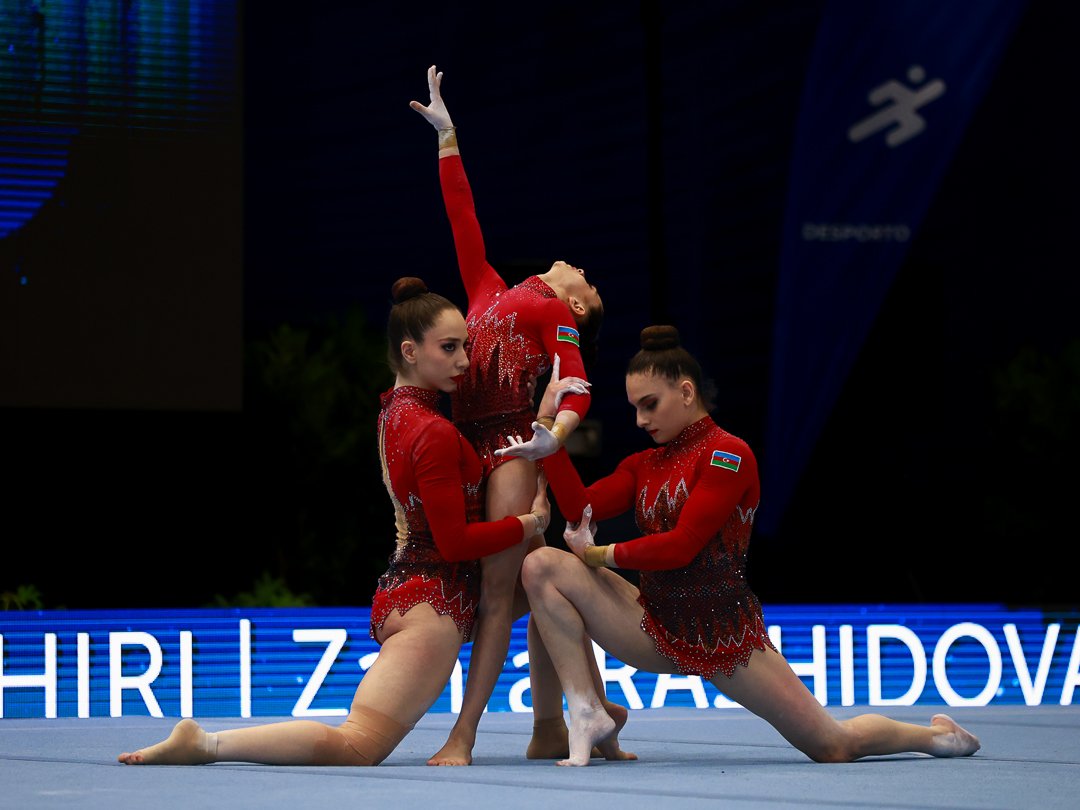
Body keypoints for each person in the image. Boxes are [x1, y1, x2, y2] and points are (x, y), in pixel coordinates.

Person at [117, 277, 551, 767]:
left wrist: (549, 407)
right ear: (409, 350)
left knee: (553, 585)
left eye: (466, 347)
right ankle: (209, 743)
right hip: (435, 603)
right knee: (358, 744)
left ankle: (562, 722)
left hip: (416, 589)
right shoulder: (431, 431)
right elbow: (454, 543)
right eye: (449, 348)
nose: (464, 362)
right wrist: (528, 524)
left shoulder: (394, 413)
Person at [506, 325, 981, 766]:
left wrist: (596, 555)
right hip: (652, 620)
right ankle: (590, 711)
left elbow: (682, 547)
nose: (640, 419)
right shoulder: (642, 464)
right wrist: (552, 438)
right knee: (543, 566)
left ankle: (932, 736)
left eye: (649, 404)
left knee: (833, 745)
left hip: (723, 634)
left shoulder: (728, 454)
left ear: (686, 392)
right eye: (634, 407)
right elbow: (580, 506)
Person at [410, 65, 615, 766]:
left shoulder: (555, 312)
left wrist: (547, 440)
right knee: (540, 579)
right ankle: (576, 714)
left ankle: (462, 736)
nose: (581, 270)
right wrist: (448, 137)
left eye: (589, 283)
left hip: (506, 450)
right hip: (466, 446)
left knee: (500, 595)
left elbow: (581, 386)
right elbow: (462, 217)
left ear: (580, 306)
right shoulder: (492, 288)